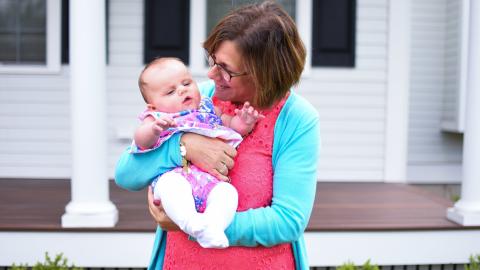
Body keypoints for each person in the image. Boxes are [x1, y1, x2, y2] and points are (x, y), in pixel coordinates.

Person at [115, 1, 320, 269]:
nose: (211, 74)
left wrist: (195, 225)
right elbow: (126, 175)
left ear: (264, 74)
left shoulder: (297, 120)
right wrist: (182, 146)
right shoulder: (197, 100)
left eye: (225, 68)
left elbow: (288, 220)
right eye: (212, 60)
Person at [130, 57, 263, 248]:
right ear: (153, 106)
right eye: (170, 91)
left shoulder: (207, 108)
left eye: (186, 83)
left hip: (209, 182)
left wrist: (244, 122)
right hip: (175, 176)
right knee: (173, 189)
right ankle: (192, 223)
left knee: (227, 193)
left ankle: (213, 226)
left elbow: (230, 124)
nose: (182, 90)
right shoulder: (157, 117)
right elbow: (140, 141)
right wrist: (153, 130)